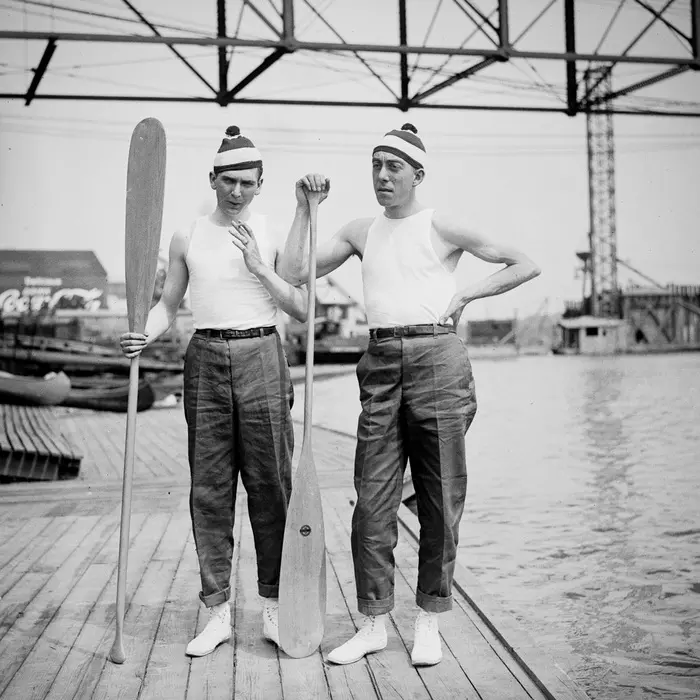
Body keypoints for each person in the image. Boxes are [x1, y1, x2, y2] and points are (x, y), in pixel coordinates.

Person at [279, 123, 540, 666]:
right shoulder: (359, 229)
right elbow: (293, 271)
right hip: (379, 362)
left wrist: (467, 290)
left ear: (418, 174)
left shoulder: (441, 224)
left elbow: (525, 263)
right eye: (375, 165)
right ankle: (373, 622)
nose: (381, 176)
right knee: (370, 503)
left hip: (438, 359)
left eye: (393, 166)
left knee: (439, 497)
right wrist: (305, 207)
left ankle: (429, 620)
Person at [120, 125, 307, 658]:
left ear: (260, 183)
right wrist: (144, 331)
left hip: (261, 355)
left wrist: (258, 268)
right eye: (228, 181)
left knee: (272, 487)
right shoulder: (188, 235)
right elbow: (168, 303)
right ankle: (218, 613)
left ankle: (272, 608)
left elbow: (298, 305)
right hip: (204, 356)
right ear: (213, 179)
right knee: (210, 489)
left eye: (248, 183)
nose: (237, 192)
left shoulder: (271, 232)